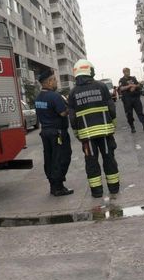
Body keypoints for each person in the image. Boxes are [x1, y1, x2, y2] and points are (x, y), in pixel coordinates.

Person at [67, 59, 119, 198]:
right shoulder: (102, 87)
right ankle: (114, 188)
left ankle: (97, 192)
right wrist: (113, 123)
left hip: (87, 136)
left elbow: (72, 117)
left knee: (91, 162)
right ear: (90, 70)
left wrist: (77, 133)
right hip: (105, 133)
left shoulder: (72, 93)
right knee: (109, 159)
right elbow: (111, 108)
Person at [33, 68, 73, 197]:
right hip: (58, 133)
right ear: (49, 82)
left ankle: (53, 185)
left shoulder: (38, 98)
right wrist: (69, 108)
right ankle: (58, 187)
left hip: (45, 132)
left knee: (49, 158)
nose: (56, 82)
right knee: (62, 157)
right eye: (55, 80)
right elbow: (62, 113)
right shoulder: (55, 96)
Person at [116, 67, 144, 133]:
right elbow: (121, 88)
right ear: (124, 72)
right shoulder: (121, 80)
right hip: (127, 99)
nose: (128, 73)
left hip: (135, 98)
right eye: (126, 72)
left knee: (140, 112)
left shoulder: (133, 78)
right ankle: (132, 127)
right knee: (129, 114)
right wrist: (129, 86)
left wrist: (134, 86)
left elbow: (138, 85)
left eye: (128, 71)